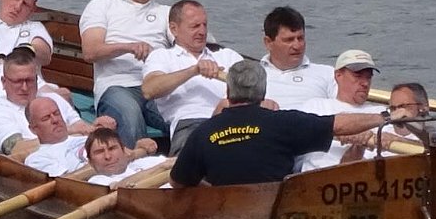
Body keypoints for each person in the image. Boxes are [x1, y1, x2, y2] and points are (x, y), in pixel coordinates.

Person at [169, 60, 404, 188]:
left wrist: (214, 192)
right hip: (273, 218)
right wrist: (385, 117)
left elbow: (178, 182)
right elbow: (339, 125)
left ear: (228, 92)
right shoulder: (284, 123)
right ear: (263, 92)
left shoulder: (203, 132)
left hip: (226, 216)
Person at [79, 0, 175, 148]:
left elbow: (189, 45)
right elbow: (90, 51)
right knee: (130, 115)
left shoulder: (166, 13)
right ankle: (134, 164)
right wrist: (129, 47)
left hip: (157, 85)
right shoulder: (102, 6)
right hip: (117, 85)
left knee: (186, 114)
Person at [142, 0, 243, 155]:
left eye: (204, 25)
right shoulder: (162, 56)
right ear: (174, 29)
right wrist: (193, 70)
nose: (202, 31)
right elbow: (149, 90)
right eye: (195, 26)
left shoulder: (228, 56)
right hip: (191, 121)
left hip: (233, 120)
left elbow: (253, 86)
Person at [0, 49, 114, 157]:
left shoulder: (53, 99)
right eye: (18, 81)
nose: (24, 87)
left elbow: (81, 127)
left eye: (29, 81)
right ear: (4, 82)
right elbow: (17, 149)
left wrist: (97, 127)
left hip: (84, 156)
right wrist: (66, 131)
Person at [297, 49, 387, 170]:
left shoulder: (382, 111)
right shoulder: (315, 106)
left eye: (368, 77)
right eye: (358, 76)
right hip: (319, 175)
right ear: (338, 75)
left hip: (371, 174)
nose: (365, 83)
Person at [260, 6, 337, 109]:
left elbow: (346, 109)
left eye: (300, 38)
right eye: (289, 40)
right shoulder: (249, 76)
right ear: (268, 42)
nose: (297, 46)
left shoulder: (328, 74)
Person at [372, 83, 436, 153]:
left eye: (403, 107)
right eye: (393, 108)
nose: (397, 112)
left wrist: (400, 141)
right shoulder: (378, 132)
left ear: (423, 108)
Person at [23, 97, 91, 176]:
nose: (55, 120)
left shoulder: (87, 138)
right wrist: (96, 166)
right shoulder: (36, 159)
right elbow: (65, 181)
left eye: (56, 113)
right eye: (46, 118)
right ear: (33, 129)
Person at [84, 127, 167, 187]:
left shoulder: (145, 162)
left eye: (112, 149)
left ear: (124, 150)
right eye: (99, 152)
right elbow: (118, 189)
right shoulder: (96, 181)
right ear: (90, 162)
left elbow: (172, 163)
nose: (107, 156)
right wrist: (162, 167)